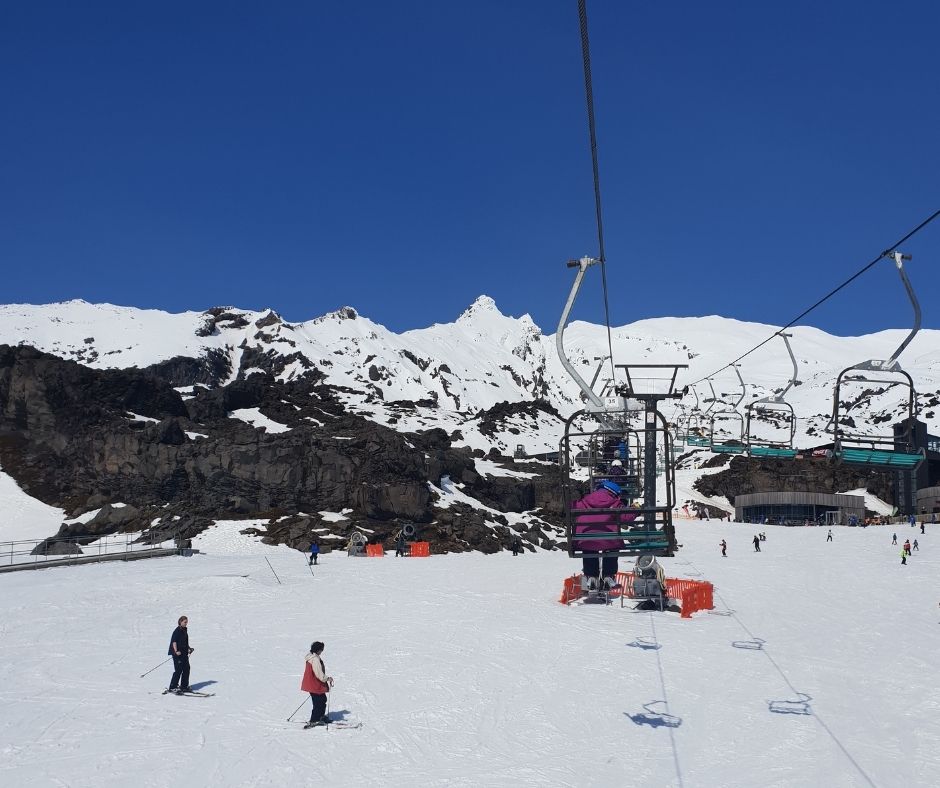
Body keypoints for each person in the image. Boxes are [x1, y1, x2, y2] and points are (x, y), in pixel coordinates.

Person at [573, 479, 636, 591]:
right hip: (609, 541)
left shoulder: (584, 501)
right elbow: (626, 517)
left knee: (589, 548)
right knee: (612, 548)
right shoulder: (615, 503)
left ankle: (591, 577)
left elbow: (572, 506)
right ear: (614, 493)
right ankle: (608, 576)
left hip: (584, 539)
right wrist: (635, 510)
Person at [300, 641, 333, 729]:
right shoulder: (315, 659)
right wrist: (327, 678)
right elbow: (318, 673)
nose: (322, 651)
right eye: (322, 649)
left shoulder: (311, 657)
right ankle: (314, 720)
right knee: (318, 702)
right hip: (314, 683)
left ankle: (320, 717)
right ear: (318, 650)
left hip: (312, 683)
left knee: (322, 699)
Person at [167, 615, 194, 694]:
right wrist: (176, 651)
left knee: (186, 669)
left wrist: (189, 648)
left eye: (187, 622)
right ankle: (173, 687)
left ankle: (184, 686)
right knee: (178, 670)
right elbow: (174, 641)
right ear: (180, 622)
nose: (186, 623)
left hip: (184, 653)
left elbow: (185, 642)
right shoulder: (177, 631)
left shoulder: (184, 630)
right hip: (177, 654)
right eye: (185, 622)